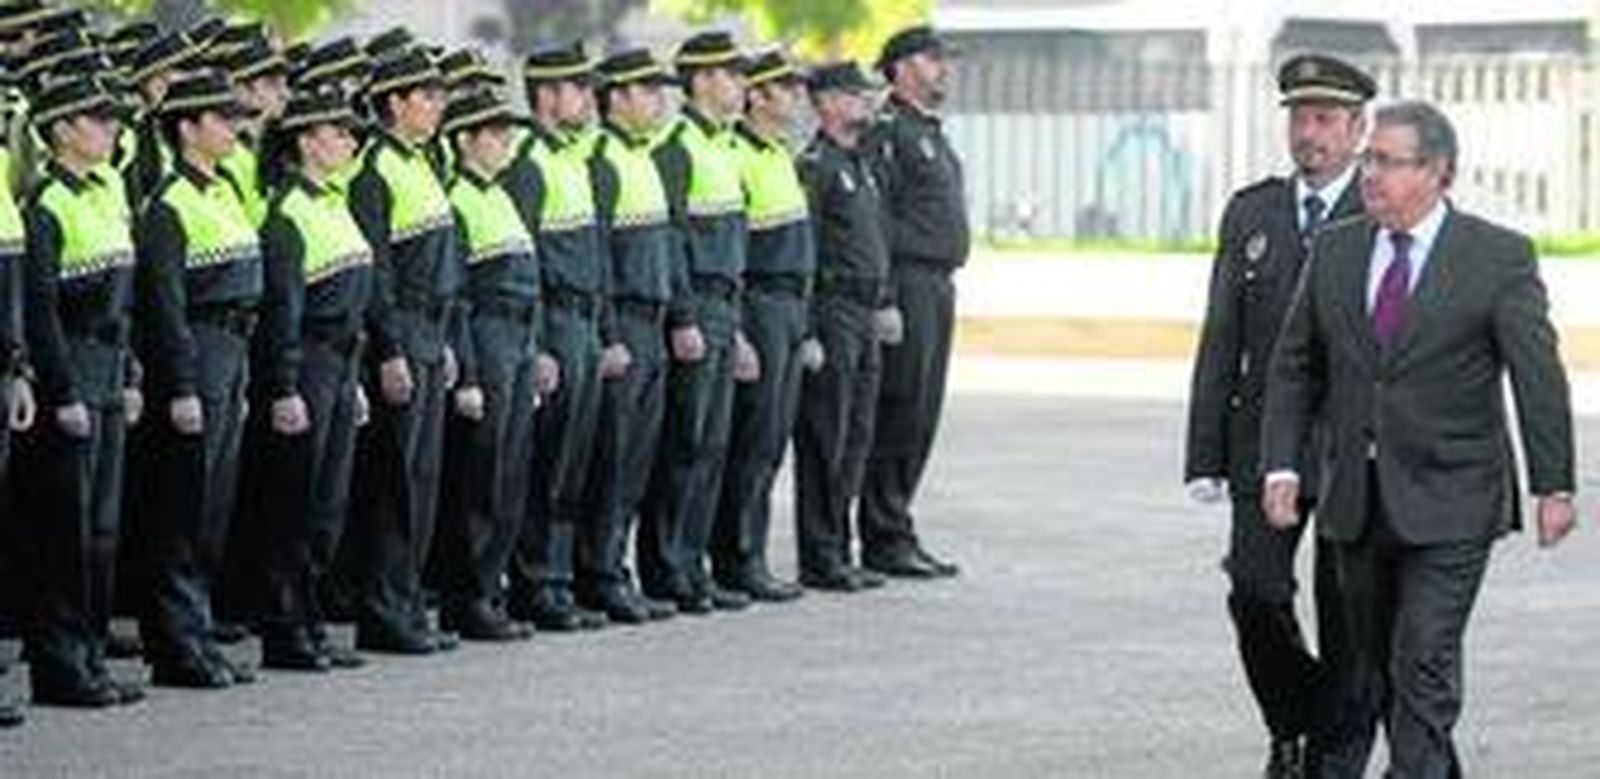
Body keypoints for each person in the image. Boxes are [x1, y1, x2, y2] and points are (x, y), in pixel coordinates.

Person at [1261, 100, 1579, 778]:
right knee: (1372, 668)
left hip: (1455, 496)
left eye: (1388, 162)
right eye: (1369, 159)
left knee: (1422, 662)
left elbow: (1537, 376)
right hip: (1356, 500)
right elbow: (1294, 365)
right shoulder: (1337, 249)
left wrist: (1553, 484)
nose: (1370, 174)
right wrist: (1281, 466)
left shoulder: (1496, 256)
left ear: (1439, 173)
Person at [1184, 54, 1373, 777]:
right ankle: (1297, 717)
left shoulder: (1382, 209)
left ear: (1357, 129)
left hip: (1354, 445)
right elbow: (1221, 336)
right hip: (1264, 441)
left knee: (1346, 607)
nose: (1308, 133)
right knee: (1255, 591)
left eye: (1325, 119)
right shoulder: (1252, 211)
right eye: (1299, 118)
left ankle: (1330, 760)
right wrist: (1204, 453)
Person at [504, 43, 656, 626]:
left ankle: (564, 579)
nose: (590, 99)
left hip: (587, 321)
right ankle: (537, 582)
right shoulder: (527, 162)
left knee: (577, 463)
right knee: (549, 463)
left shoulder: (572, 158)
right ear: (547, 95)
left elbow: (599, 259)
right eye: (578, 88)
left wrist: (607, 331)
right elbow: (526, 264)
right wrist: (540, 343)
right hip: (557, 322)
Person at [15, 73, 142, 707]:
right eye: (97, 118)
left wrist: (131, 372)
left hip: (109, 368)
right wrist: (62, 392)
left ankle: (90, 653)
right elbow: (41, 311)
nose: (111, 129)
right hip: (73, 366)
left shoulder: (105, 190)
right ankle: (60, 663)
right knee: (65, 528)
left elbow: (125, 296)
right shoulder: (47, 204)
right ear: (63, 129)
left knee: (102, 528)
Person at [134, 70, 264, 689]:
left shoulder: (225, 190)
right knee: (184, 507)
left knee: (215, 506)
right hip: (200, 348)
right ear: (187, 128)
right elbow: (165, 306)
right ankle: (176, 644)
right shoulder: (168, 205)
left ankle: (199, 632)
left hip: (232, 349)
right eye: (221, 117)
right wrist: (183, 385)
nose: (234, 127)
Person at [249, 87, 372, 672]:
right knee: (295, 504)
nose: (349, 141)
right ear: (305, 141)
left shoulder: (333, 202)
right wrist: (285, 386)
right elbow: (284, 313)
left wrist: (357, 378)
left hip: (342, 364)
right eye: (337, 131)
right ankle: (286, 627)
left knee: (329, 504)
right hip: (311, 364)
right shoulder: (288, 215)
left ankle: (312, 619)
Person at [344, 49, 461, 654]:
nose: (438, 106)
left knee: (424, 477)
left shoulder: (423, 162)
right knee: (395, 481)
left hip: (431, 331)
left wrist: (445, 341)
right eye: (426, 95)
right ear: (395, 102)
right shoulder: (374, 171)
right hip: (403, 330)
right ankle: (383, 609)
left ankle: (408, 600)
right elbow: (378, 271)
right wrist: (389, 349)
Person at [564, 48, 683, 622]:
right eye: (648, 90)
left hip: (653, 320)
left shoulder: (645, 156)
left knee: (637, 458)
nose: (659, 101)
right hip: (625, 323)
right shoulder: (600, 159)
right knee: (611, 459)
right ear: (617, 98)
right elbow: (600, 259)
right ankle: (598, 573)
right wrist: (609, 333)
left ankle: (616, 567)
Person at [641, 30, 754, 614]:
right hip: (698, 306)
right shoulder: (676, 146)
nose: (741, 85)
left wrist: (737, 326)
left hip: (725, 306)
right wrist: (684, 316)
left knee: (712, 443)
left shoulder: (724, 145)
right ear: (704, 80)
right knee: (684, 442)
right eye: (732, 74)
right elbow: (673, 242)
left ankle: (693, 563)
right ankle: (666, 568)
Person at [433, 87, 548, 642]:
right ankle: (469, 597)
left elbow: (529, 280)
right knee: (482, 474)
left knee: (511, 472)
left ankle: (492, 589)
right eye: (496, 134)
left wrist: (536, 347)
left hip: (517, 336)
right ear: (464, 141)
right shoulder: (457, 199)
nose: (507, 143)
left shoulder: (500, 195)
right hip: (488, 335)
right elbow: (457, 297)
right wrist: (472, 374)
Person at [859, 26, 965, 579]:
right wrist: (886, 296)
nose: (942, 68)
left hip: (938, 284)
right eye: (931, 59)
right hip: (908, 282)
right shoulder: (888, 133)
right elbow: (876, 222)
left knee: (922, 412)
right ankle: (883, 534)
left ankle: (897, 524)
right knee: (900, 411)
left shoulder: (928, 131)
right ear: (900, 69)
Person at [710, 49, 810, 603]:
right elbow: (734, 255)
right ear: (757, 96)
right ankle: (736, 558)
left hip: (791, 305)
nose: (796, 98)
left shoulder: (779, 153)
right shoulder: (734, 155)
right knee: (750, 440)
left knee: (771, 440)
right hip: (760, 304)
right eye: (785, 89)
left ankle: (753, 554)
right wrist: (742, 330)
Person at [792, 62, 891, 594]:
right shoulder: (817, 167)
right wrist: (808, 328)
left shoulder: (861, 163)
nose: (867, 103)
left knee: (856, 435)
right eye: (855, 94)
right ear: (826, 103)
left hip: (863, 312)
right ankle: (819, 554)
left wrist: (884, 301)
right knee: (825, 436)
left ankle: (840, 547)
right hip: (832, 310)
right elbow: (804, 251)